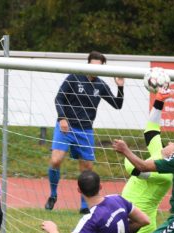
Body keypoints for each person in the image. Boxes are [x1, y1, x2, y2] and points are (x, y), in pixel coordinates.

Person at [45, 51, 124, 214]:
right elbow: (58, 98)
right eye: (92, 65)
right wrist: (62, 118)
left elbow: (117, 105)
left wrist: (120, 86)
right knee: (55, 160)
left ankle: (83, 205)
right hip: (66, 127)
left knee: (87, 168)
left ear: (103, 67)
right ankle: (53, 195)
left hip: (86, 130)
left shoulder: (101, 85)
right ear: (87, 64)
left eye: (99, 66)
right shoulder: (74, 77)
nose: (95, 69)